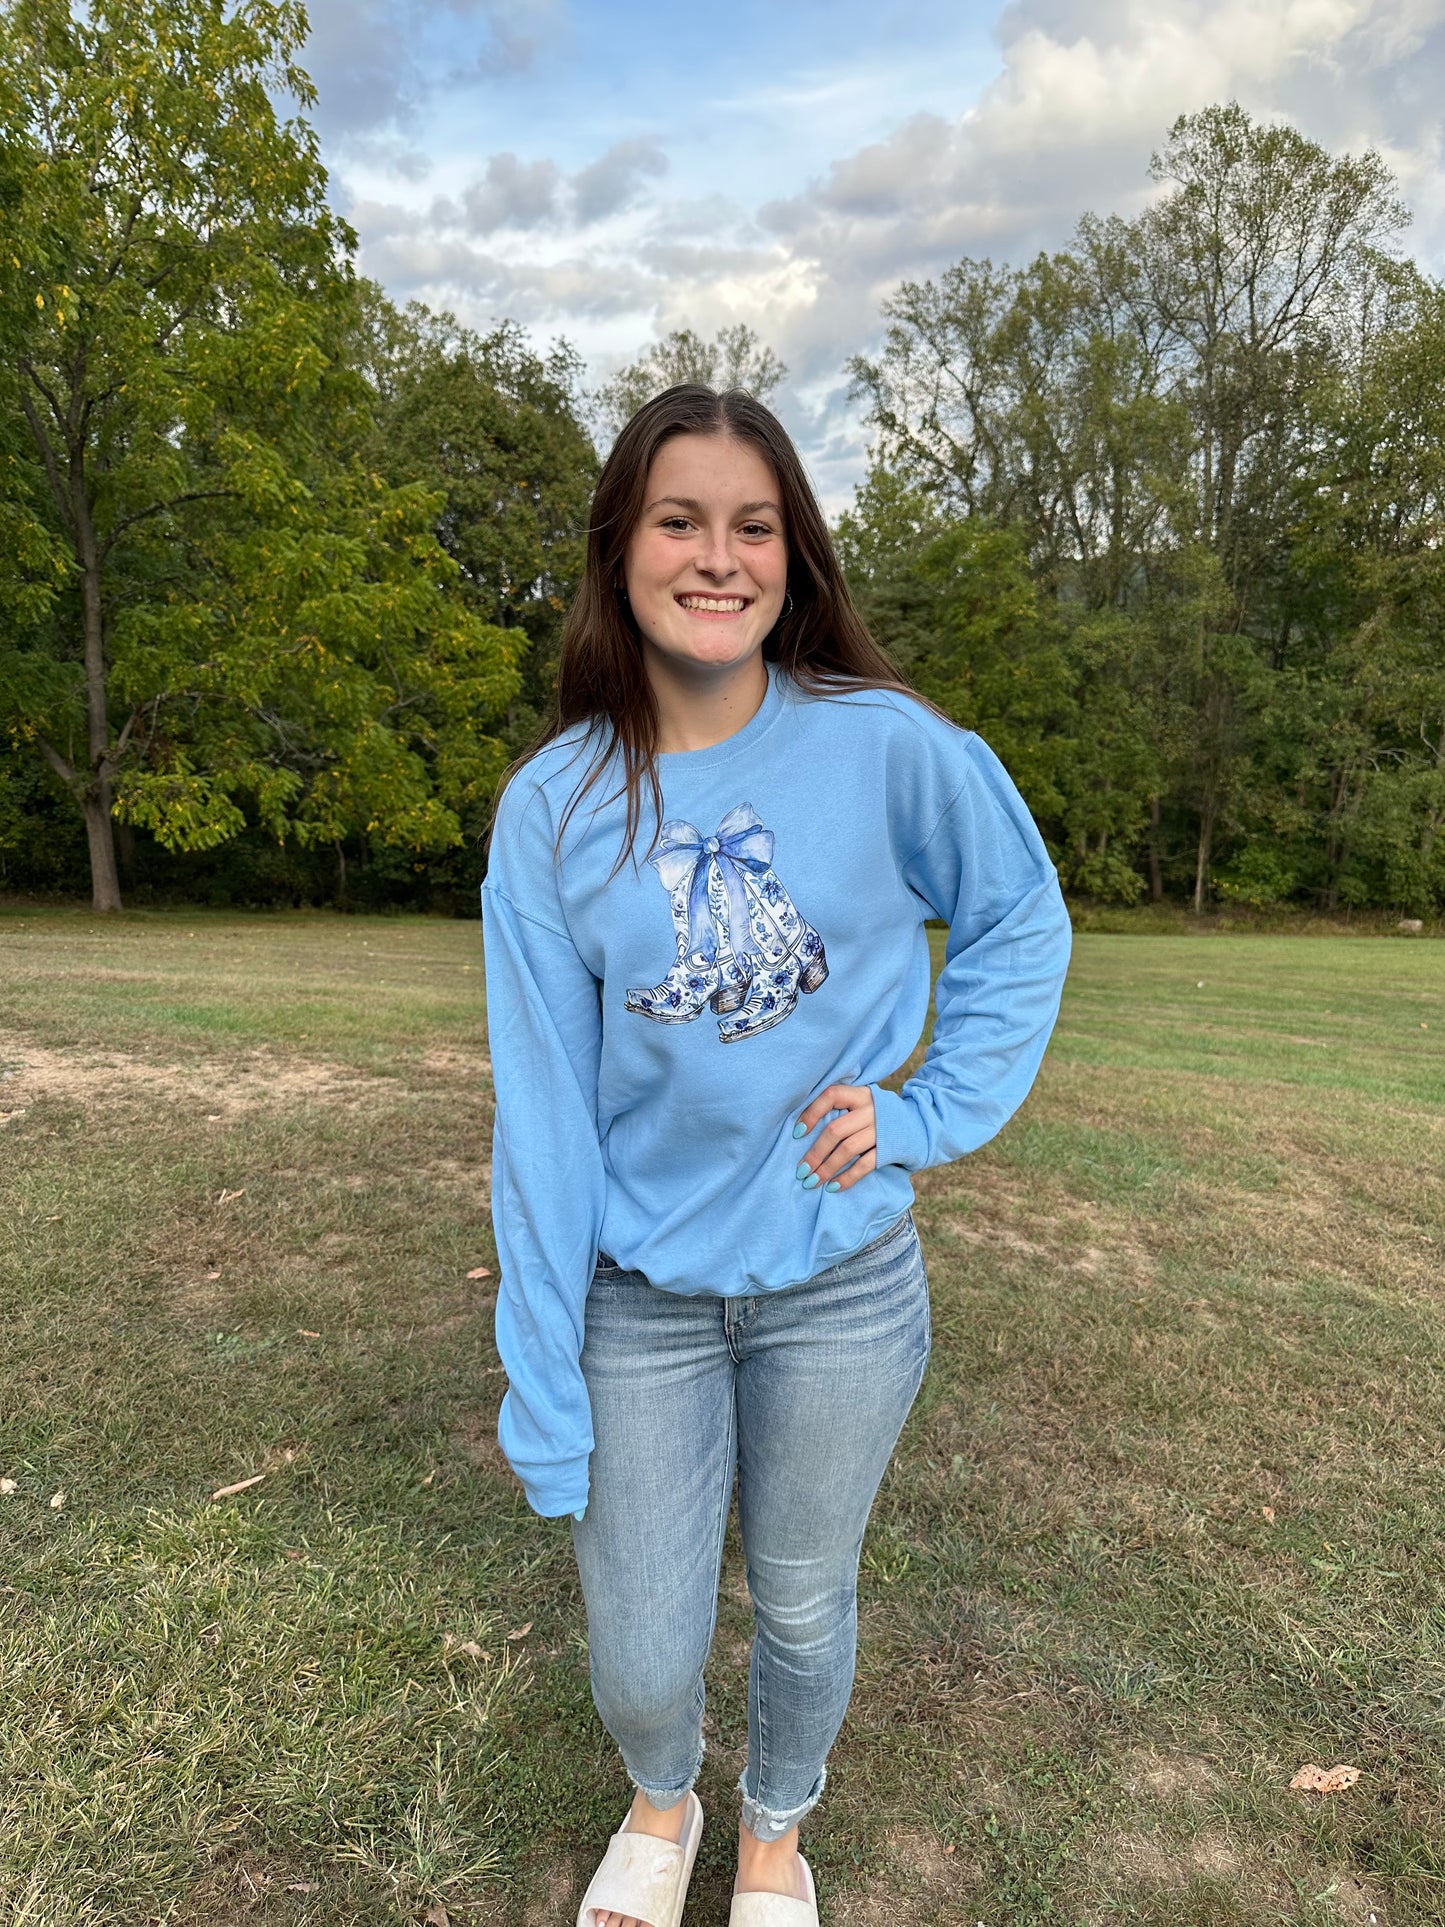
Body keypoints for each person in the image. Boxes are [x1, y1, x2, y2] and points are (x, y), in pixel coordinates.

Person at [481, 384, 1072, 1927]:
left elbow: (1017, 915)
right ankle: (661, 1798)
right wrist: (543, 1378)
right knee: (642, 1647)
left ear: (793, 558)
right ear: (622, 547)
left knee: (804, 1603)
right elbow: (542, 1114)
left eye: (755, 526)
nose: (717, 556)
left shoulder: (886, 750)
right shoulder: (552, 809)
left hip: (840, 1288)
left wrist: (926, 1110)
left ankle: (770, 1838)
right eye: (680, 520)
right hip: (640, 1299)